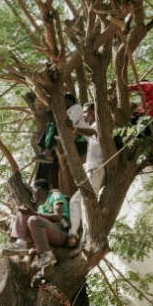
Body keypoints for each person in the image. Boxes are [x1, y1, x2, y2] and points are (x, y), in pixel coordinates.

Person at [3, 179, 69, 267]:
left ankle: (47, 254)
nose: (32, 193)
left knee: (33, 219)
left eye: (32, 190)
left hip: (60, 232)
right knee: (23, 211)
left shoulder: (55, 195)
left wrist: (34, 214)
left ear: (38, 189)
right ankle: (19, 243)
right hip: (46, 234)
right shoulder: (41, 207)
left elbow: (58, 217)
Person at [67, 103, 105, 247]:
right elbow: (86, 132)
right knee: (75, 201)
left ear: (94, 111)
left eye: (86, 112)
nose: (83, 115)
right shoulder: (92, 127)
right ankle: (73, 232)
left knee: (86, 202)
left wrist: (74, 128)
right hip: (91, 171)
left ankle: (87, 239)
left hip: (96, 169)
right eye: (82, 113)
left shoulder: (99, 125)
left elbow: (91, 132)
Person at [33, 94, 87, 164]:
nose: (62, 103)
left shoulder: (76, 107)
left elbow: (70, 123)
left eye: (64, 101)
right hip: (71, 143)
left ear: (70, 101)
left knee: (52, 124)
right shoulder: (65, 113)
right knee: (49, 125)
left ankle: (47, 152)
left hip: (80, 141)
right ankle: (47, 153)